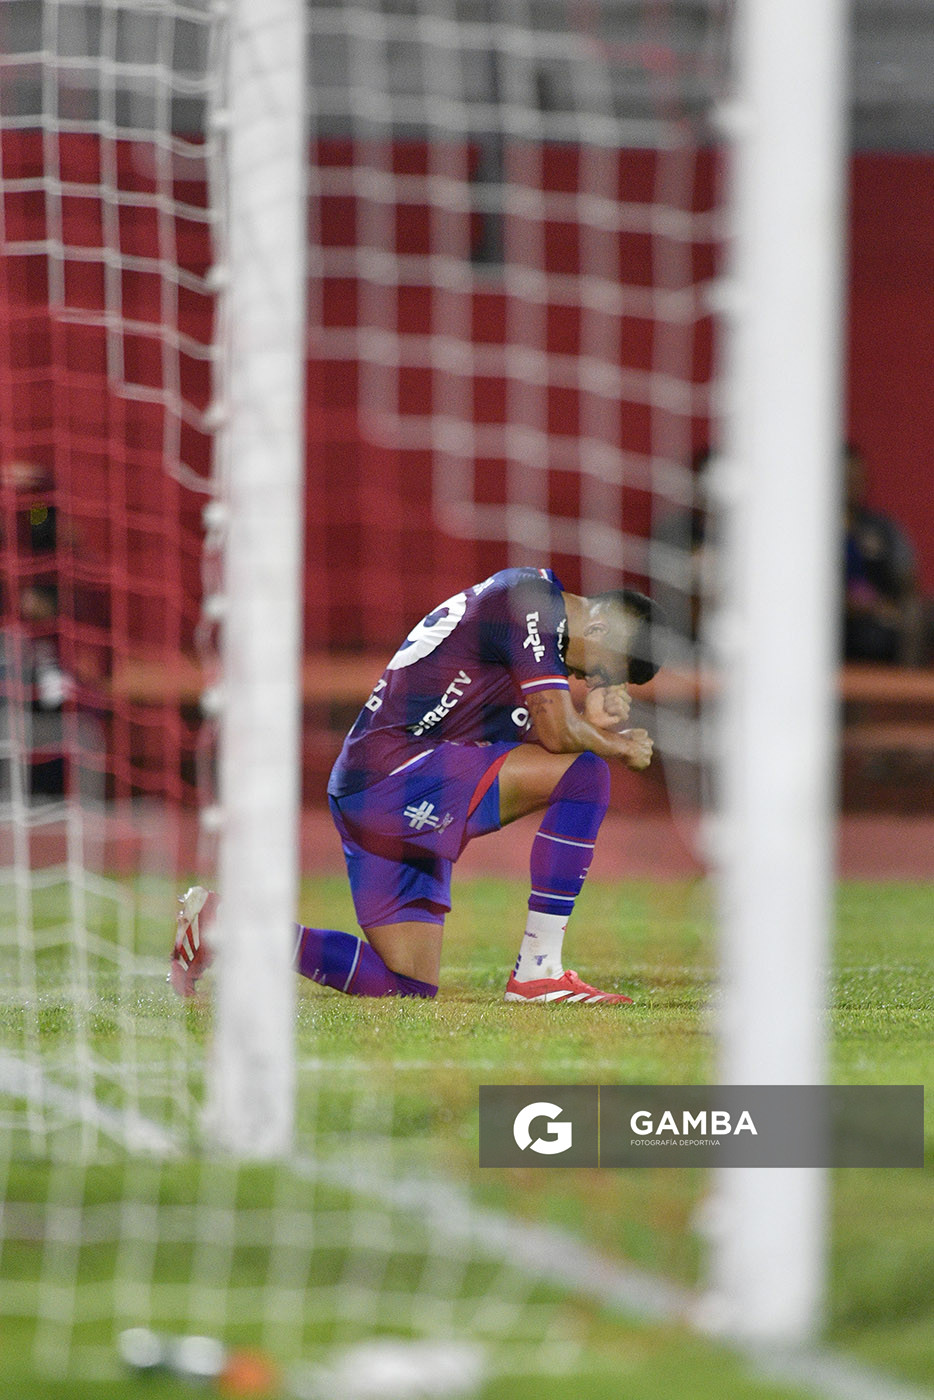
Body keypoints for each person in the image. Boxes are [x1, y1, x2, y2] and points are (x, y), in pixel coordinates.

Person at [169, 567, 665, 1005]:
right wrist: (614, 744)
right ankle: (540, 971)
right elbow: (557, 735)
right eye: (598, 669)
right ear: (597, 626)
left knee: (404, 984)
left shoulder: (524, 624)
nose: (585, 677)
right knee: (586, 775)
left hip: (370, 788)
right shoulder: (531, 603)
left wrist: (585, 719)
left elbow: (500, 724)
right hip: (398, 776)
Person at [843, 444, 919, 664]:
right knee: (869, 636)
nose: (853, 486)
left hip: (882, 613)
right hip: (839, 619)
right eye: (847, 479)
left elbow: (907, 577)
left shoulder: (882, 528)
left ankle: (907, 694)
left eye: (858, 479)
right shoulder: (808, 535)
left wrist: (897, 608)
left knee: (920, 618)